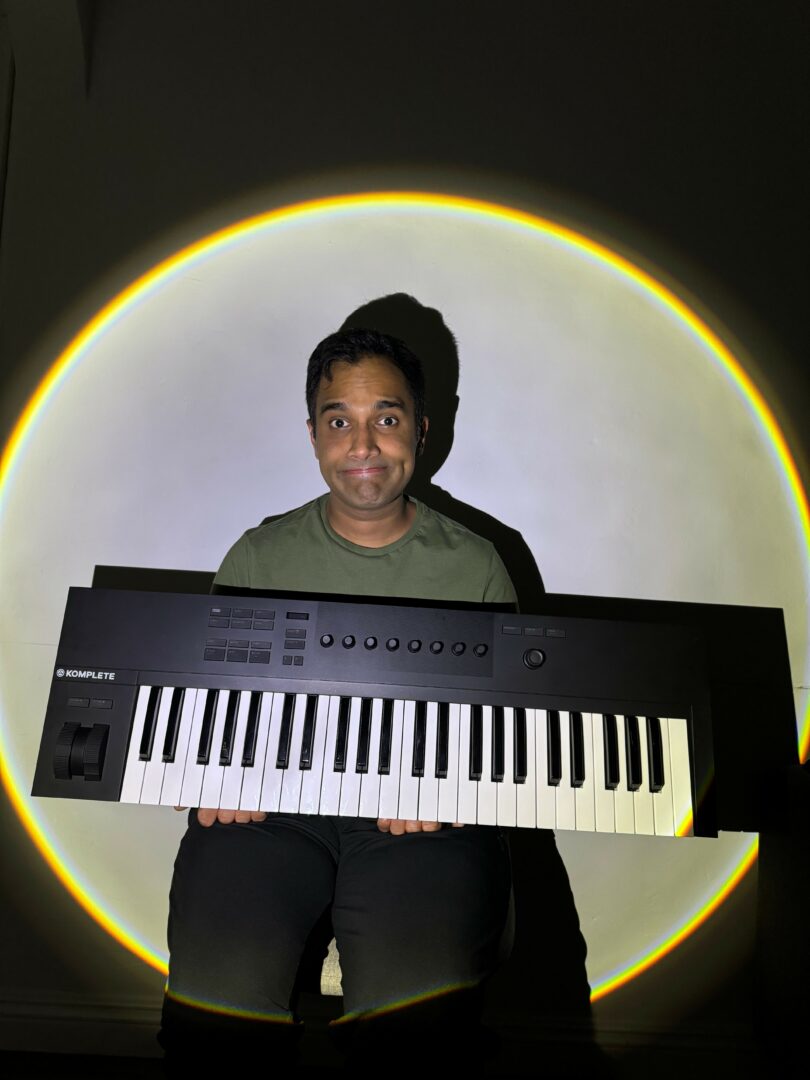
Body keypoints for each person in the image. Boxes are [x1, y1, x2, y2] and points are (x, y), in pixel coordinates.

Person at [160, 328, 520, 1070]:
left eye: (386, 418)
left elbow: (503, 731)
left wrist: (450, 788)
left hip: (421, 823)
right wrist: (210, 777)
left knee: (415, 1023)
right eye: (339, 420)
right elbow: (211, 709)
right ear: (314, 435)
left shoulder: (479, 565)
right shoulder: (257, 556)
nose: (363, 444)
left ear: (420, 429)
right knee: (215, 1011)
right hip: (273, 815)